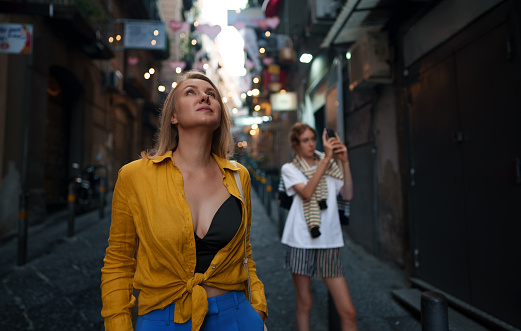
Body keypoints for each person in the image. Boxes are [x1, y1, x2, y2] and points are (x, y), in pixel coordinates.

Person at [101, 71, 267, 331]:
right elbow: (119, 261)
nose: (205, 96)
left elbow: (245, 252)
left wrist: (257, 307)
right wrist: (118, 324)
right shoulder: (135, 176)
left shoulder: (238, 176)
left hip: (235, 316)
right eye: (191, 92)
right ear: (174, 116)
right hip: (163, 318)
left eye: (212, 94)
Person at [280, 122, 357, 331]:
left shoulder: (331, 165)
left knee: (349, 311)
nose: (311, 144)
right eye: (305, 140)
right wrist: (326, 160)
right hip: (300, 241)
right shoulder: (290, 169)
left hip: (329, 241)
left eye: (313, 139)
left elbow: (347, 195)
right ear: (296, 144)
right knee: (305, 304)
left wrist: (345, 162)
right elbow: (306, 192)